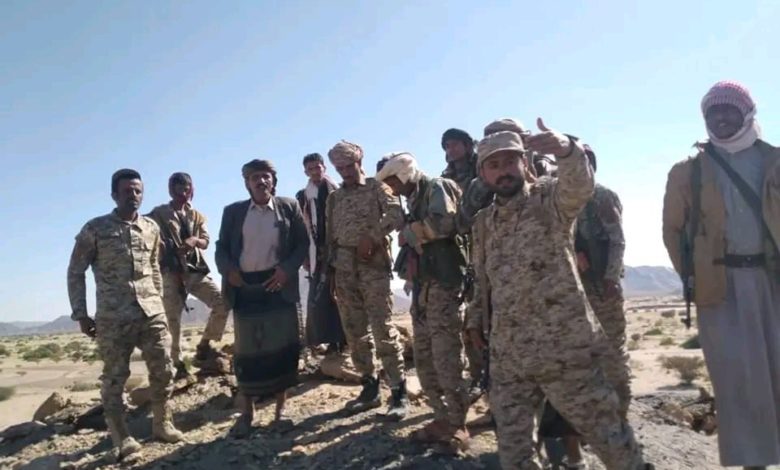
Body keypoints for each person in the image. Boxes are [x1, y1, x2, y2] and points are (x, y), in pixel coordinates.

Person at [465, 124, 652, 469]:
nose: (503, 171)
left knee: (610, 437)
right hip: (509, 357)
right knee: (514, 450)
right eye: (494, 165)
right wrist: (475, 318)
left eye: (510, 162)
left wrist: (566, 150)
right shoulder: (483, 224)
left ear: (524, 163)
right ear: (483, 174)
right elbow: (483, 279)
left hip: (565, 351)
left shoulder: (548, 200)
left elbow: (580, 187)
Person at [663, 80, 780, 470]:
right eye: (713, 112)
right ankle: (754, 463)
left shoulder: (774, 160)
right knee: (737, 382)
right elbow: (672, 232)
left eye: (729, 109)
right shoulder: (688, 172)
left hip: (773, 281)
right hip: (721, 291)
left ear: (747, 113)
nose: (721, 118)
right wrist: (697, 276)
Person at [67, 169, 183, 459]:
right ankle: (121, 435)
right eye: (127, 191)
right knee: (115, 377)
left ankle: (162, 423)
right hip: (114, 317)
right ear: (114, 195)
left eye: (138, 191)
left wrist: (158, 300)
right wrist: (81, 314)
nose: (133, 196)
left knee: (164, 368)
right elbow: (76, 271)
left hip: (151, 312)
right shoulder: (95, 228)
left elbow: (154, 267)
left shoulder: (151, 228)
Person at [377, 152, 470, 450]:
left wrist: (409, 232)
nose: (392, 188)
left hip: (444, 284)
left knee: (447, 356)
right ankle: (441, 417)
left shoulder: (436, 187)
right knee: (425, 357)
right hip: (424, 286)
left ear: (404, 174)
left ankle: (458, 423)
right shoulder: (414, 199)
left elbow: (445, 224)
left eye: (393, 181)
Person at [214, 159, 308, 438]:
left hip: (278, 284)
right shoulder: (233, 212)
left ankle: (281, 413)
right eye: (255, 177)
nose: (261, 181)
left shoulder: (288, 206)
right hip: (244, 287)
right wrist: (228, 270)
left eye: (266, 176)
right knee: (247, 353)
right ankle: (247, 414)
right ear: (247, 183)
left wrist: (286, 270)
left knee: (283, 351)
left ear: (273, 181)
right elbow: (221, 248)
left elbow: (302, 243)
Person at [325, 140, 408, 420]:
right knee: (354, 330)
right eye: (340, 168)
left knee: (383, 328)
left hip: (373, 267)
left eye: (349, 166)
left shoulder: (376, 188)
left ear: (359, 162)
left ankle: (398, 391)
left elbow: (396, 214)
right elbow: (330, 237)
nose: (346, 172)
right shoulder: (334, 198)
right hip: (343, 269)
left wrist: (372, 236)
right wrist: (331, 273)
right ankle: (369, 387)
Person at [148, 172, 229, 379]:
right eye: (179, 189)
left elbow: (205, 241)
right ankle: (177, 365)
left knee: (222, 303)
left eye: (187, 189)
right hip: (171, 273)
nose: (183, 193)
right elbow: (147, 234)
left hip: (194, 270)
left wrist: (193, 241)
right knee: (172, 321)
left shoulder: (197, 216)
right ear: (171, 190)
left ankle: (205, 346)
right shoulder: (158, 214)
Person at [440, 128, 489, 398]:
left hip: (493, 242)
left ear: (468, 145)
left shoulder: (485, 167)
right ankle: (479, 373)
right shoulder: (446, 178)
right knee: (472, 314)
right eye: (447, 146)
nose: (451, 150)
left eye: (455, 144)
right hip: (465, 251)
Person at [295, 153, 347, 354]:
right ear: (305, 172)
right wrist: (305, 257)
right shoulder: (303, 197)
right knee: (321, 298)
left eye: (318, 167)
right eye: (310, 169)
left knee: (344, 296)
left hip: (341, 252)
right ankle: (329, 342)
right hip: (316, 254)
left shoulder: (339, 190)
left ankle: (347, 342)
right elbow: (301, 229)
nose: (315, 171)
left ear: (324, 167)